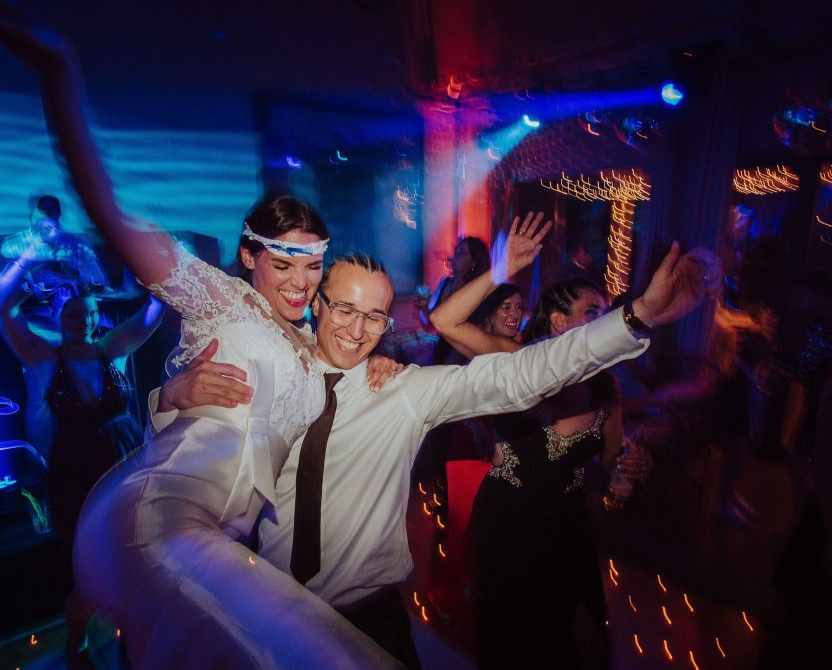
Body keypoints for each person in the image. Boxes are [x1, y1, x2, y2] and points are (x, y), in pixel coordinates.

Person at [0, 0, 407, 668]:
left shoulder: (312, 344)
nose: (300, 282)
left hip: (222, 542)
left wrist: (378, 364)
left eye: (312, 266)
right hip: (158, 522)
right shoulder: (216, 296)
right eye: (283, 263)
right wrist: (60, 67)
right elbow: (107, 207)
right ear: (248, 256)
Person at [150, 213, 718, 665]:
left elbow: (523, 373)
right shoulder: (275, 374)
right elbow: (196, 453)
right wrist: (169, 397)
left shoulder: (404, 391)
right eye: (344, 308)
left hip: (370, 615)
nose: (357, 329)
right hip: (270, 609)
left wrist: (635, 317)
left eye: (375, 316)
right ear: (317, 304)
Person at [455, 276, 653, 669]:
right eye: (592, 312)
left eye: (605, 313)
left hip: (567, 522)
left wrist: (634, 464)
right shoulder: (521, 364)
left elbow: (612, 459)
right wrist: (501, 268)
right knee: (512, 635)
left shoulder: (606, 385)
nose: (603, 321)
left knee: (574, 630)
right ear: (560, 322)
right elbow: (453, 330)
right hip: (508, 521)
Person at [0, 244, 162, 666]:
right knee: (88, 569)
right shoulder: (44, 357)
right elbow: (0, 309)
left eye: (89, 314)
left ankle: (131, 642)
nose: (84, 322)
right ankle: (78, 646)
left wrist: (153, 262)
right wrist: (29, 256)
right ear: (57, 316)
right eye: (73, 315)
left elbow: (155, 310)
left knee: (134, 560)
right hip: (77, 475)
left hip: (124, 466)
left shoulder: (111, 348)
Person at [0, 194, 111, 305]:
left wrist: (76, 275)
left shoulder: (78, 245)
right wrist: (50, 255)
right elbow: (7, 252)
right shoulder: (14, 244)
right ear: (30, 215)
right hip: (31, 305)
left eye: (50, 215)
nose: (44, 224)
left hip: (74, 303)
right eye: (40, 218)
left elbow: (99, 282)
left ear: (58, 215)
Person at [415, 236, 491, 365]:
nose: (455, 256)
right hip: (443, 347)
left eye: (462, 253)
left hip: (465, 352)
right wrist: (424, 306)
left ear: (473, 263)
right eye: (456, 251)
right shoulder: (445, 282)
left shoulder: (476, 290)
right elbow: (429, 323)